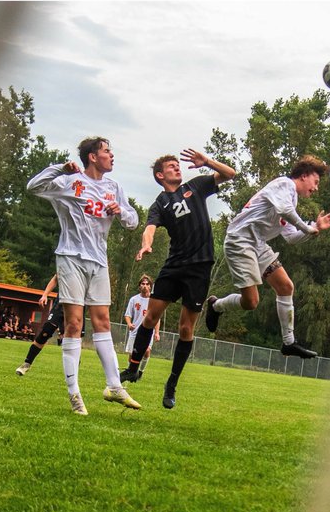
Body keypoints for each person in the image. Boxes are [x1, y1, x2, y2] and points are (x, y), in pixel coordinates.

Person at [27, 138, 141, 414]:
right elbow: (33, 186)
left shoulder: (114, 188)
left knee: (102, 321)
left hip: (99, 262)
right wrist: (59, 169)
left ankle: (114, 386)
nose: (112, 155)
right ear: (92, 157)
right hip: (70, 258)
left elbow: (133, 221)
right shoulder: (72, 182)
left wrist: (121, 210)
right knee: (74, 324)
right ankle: (74, 393)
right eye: (106, 151)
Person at [120, 147, 234, 409]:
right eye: (171, 166)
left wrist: (207, 161)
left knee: (186, 329)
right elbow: (149, 229)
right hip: (174, 266)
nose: (177, 168)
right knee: (150, 317)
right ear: (160, 175)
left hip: (200, 267)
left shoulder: (196, 186)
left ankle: (171, 384)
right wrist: (146, 244)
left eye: (177, 165)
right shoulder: (160, 203)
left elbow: (230, 174)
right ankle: (133, 368)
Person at [203, 154, 330, 356]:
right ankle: (216, 306)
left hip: (257, 244)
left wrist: (315, 228)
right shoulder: (284, 184)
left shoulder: (290, 199)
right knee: (251, 302)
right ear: (303, 175)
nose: (316, 187)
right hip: (240, 240)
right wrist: (307, 227)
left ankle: (288, 343)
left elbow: (292, 238)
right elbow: (284, 211)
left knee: (286, 286)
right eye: (316, 181)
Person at [15, 273, 65, 376]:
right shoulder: (66, 261)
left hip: (77, 305)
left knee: (71, 340)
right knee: (45, 331)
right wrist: (45, 295)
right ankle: (27, 363)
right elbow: (56, 278)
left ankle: (72, 376)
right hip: (60, 305)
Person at [122, 274, 160, 380]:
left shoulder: (153, 301)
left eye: (147, 284)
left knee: (147, 351)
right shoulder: (134, 299)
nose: (145, 286)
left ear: (150, 286)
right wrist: (129, 324)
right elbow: (127, 315)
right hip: (134, 332)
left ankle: (140, 372)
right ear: (139, 286)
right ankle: (130, 372)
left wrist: (156, 333)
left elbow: (157, 318)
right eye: (142, 284)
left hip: (148, 332)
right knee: (132, 355)